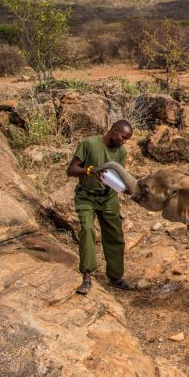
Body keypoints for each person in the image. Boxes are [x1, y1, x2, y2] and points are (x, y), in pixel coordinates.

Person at [67, 120, 135, 295]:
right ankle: (87, 276)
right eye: (123, 137)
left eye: (126, 139)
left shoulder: (121, 152)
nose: (123, 141)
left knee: (115, 236)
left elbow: (119, 176)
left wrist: (124, 188)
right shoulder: (89, 143)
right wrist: (90, 170)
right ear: (113, 130)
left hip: (108, 199)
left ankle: (115, 278)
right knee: (88, 231)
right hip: (86, 197)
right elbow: (71, 169)